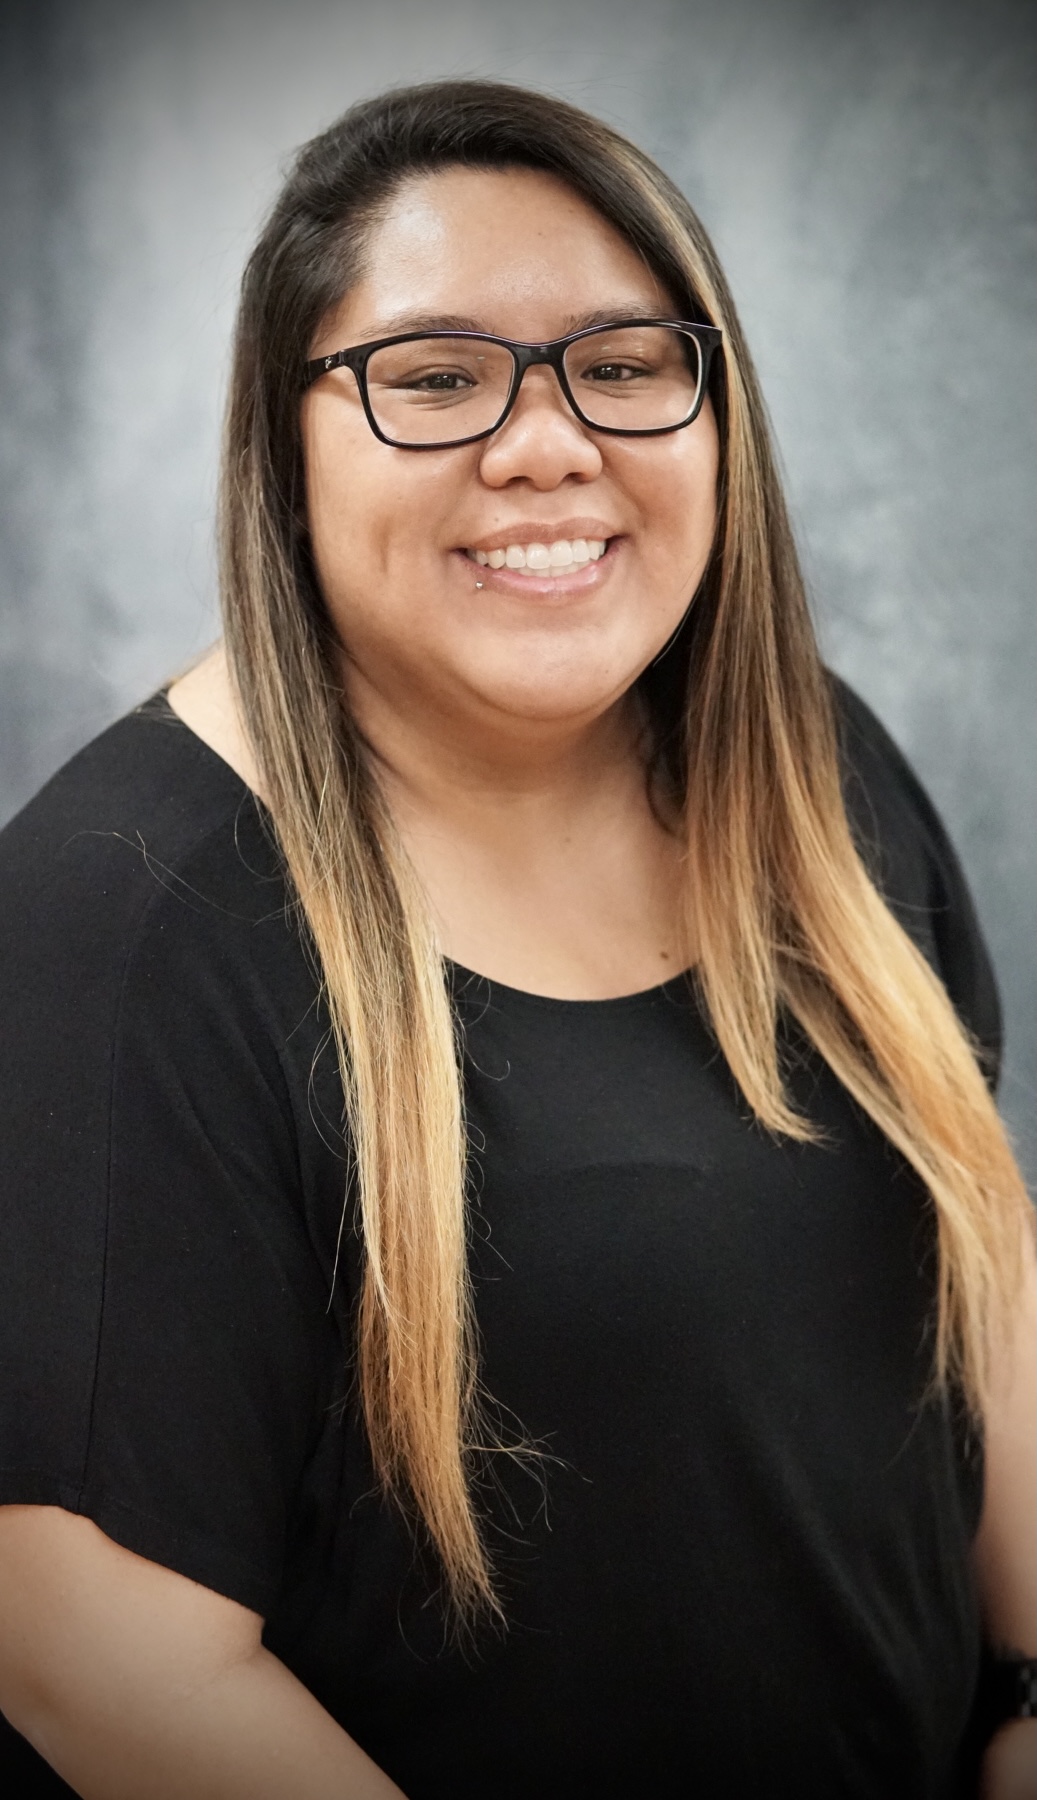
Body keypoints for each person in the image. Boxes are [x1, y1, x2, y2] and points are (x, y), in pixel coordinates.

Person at [0, 79, 1032, 1800]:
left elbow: (979, 1287)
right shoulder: (117, 923)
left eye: (622, 365)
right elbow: (85, 1648)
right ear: (285, 437)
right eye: (433, 377)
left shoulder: (812, 769)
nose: (547, 442)